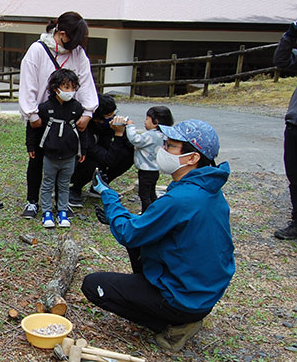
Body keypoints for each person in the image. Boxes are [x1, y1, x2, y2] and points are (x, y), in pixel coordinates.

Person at [81, 119, 235, 353]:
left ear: (192, 158)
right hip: (203, 292)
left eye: (170, 146)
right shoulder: (209, 190)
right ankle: (171, 309)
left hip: (183, 298)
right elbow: (155, 224)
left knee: (93, 285)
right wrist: (127, 217)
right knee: (139, 236)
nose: (163, 150)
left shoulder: (180, 199)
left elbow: (128, 233)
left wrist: (108, 195)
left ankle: (175, 325)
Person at [18, 12, 98, 219]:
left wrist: (88, 112)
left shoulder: (78, 53)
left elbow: (86, 82)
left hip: (69, 115)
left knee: (65, 160)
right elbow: (28, 84)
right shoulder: (37, 50)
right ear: (61, 33)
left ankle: (60, 202)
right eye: (74, 39)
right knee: (37, 159)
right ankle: (33, 201)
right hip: (42, 115)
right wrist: (32, 114)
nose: (77, 45)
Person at [28, 69, 87, 228]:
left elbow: (83, 132)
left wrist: (83, 150)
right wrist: (31, 146)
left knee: (64, 184)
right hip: (50, 155)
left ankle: (62, 210)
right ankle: (47, 211)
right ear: (56, 88)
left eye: (73, 88)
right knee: (47, 183)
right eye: (66, 87)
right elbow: (32, 128)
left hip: (69, 155)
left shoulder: (77, 108)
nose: (70, 91)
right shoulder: (45, 107)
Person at [69, 94, 134, 207]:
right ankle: (75, 189)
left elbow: (128, 146)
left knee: (129, 153)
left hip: (101, 156)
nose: (112, 118)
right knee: (95, 163)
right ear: (96, 118)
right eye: (109, 116)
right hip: (77, 164)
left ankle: (99, 185)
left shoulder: (108, 125)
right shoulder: (85, 129)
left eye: (114, 114)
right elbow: (108, 160)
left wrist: (127, 130)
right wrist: (118, 135)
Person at [125, 106, 174, 213]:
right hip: (154, 170)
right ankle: (155, 211)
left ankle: (146, 214)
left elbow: (135, 140)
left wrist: (130, 126)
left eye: (147, 118)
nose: (144, 121)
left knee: (144, 195)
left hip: (146, 171)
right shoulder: (164, 135)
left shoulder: (151, 135)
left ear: (156, 122)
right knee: (151, 193)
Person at [274, 19, 297, 240]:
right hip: (295, 127)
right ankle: (296, 222)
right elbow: (282, 60)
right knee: (294, 176)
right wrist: (289, 36)